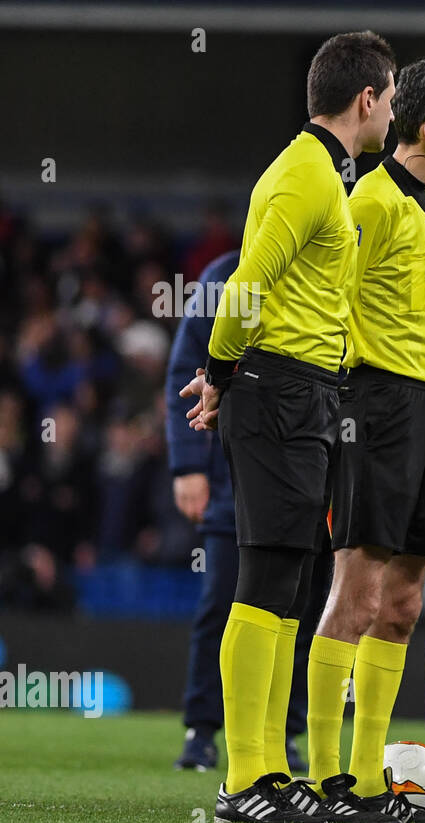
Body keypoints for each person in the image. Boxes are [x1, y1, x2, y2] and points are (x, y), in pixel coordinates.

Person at [180, 31, 396, 823]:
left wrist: (229, 373)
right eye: (392, 96)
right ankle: (245, 780)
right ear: (367, 99)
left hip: (297, 393)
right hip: (278, 392)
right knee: (265, 580)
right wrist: (226, 371)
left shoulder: (319, 174)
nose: (394, 112)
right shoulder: (305, 177)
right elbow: (245, 288)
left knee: (286, 588)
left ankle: (269, 770)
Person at [294, 58, 425, 823]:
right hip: (376, 408)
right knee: (359, 590)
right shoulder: (368, 201)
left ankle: (374, 783)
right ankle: (328, 778)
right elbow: (328, 296)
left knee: (404, 601)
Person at [166, 250, 326, 775]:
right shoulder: (224, 277)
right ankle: (203, 729)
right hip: (230, 472)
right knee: (222, 602)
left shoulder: (324, 264)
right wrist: (187, 466)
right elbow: (183, 372)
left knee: (297, 604)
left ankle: (284, 732)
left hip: (306, 458)